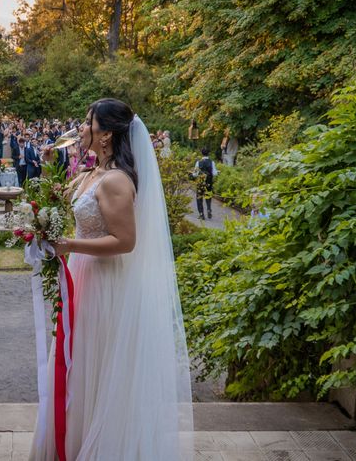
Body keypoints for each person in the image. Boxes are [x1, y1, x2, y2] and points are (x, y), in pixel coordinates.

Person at [33, 98, 193, 461]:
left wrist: (68, 245)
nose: (81, 129)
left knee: (98, 364)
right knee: (77, 363)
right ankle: (72, 441)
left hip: (106, 284)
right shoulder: (89, 173)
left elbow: (126, 242)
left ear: (106, 134)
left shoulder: (117, 180)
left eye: (87, 123)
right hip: (82, 275)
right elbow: (55, 204)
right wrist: (47, 170)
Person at [194, 147, 218, 220]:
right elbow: (214, 173)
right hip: (209, 182)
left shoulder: (198, 162)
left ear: (201, 153)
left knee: (199, 198)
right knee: (208, 196)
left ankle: (201, 214)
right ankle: (208, 209)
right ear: (208, 153)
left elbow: (195, 174)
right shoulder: (212, 162)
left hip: (200, 183)